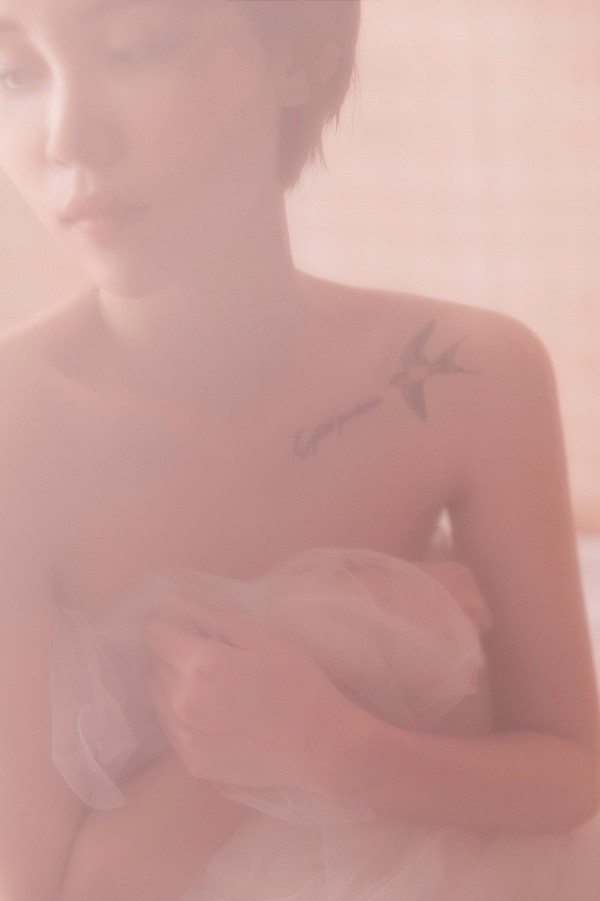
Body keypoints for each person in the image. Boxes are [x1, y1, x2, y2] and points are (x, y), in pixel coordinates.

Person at [0, 1, 598, 899]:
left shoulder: (470, 374)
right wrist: (337, 634)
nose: (65, 137)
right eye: (14, 72)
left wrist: (336, 743)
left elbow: (569, 774)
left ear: (299, 58)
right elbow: (56, 888)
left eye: (132, 49)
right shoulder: (16, 428)